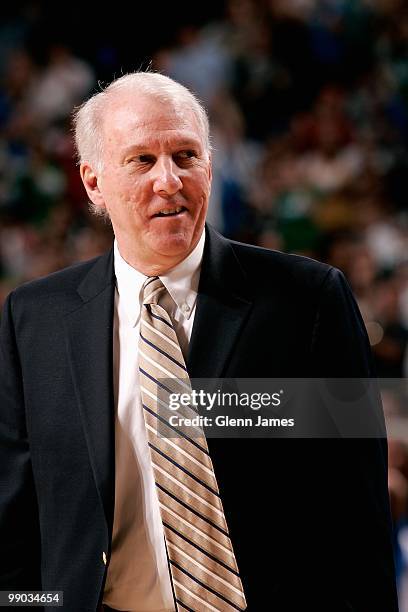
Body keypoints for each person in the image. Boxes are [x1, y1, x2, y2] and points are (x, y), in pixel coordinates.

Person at [0, 72, 398, 611]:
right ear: (93, 184)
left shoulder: (309, 301)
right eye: (142, 160)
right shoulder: (33, 320)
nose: (169, 180)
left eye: (186, 156)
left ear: (209, 166)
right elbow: (15, 527)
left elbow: (358, 514)